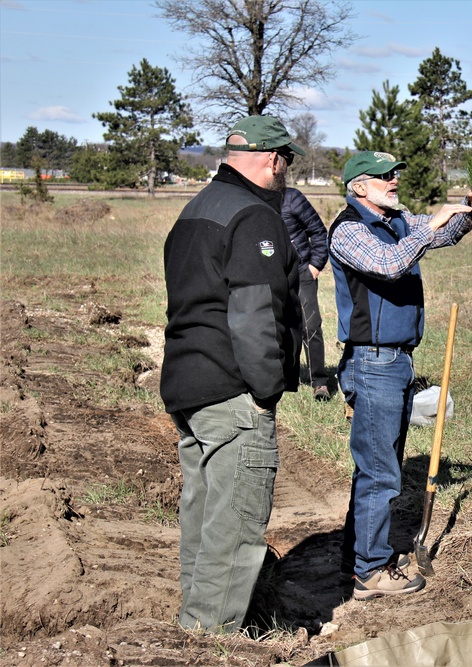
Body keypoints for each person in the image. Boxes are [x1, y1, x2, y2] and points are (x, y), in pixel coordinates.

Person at [161, 115, 304, 632]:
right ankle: (210, 638)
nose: (286, 171)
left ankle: (194, 618)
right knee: (236, 519)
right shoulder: (254, 216)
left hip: (187, 383)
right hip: (231, 391)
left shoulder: (193, 210)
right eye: (287, 162)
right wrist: (265, 391)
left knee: (203, 511)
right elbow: (255, 313)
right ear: (273, 159)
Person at [329, 150, 472, 599]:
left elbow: (444, 235)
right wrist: (432, 221)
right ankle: (370, 571)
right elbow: (389, 263)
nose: (394, 180)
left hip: (396, 360)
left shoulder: (394, 220)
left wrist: (469, 210)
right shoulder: (349, 230)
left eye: (395, 173)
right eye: (383, 176)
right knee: (380, 470)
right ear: (359, 186)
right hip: (372, 362)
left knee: (380, 466)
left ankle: (359, 554)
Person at [282, 187, 332, 400]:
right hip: (270, 273)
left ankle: (319, 382)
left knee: (310, 325)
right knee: (278, 326)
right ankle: (284, 378)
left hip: (302, 271)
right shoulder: (252, 197)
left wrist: (315, 265)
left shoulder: (291, 197)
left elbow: (319, 231)